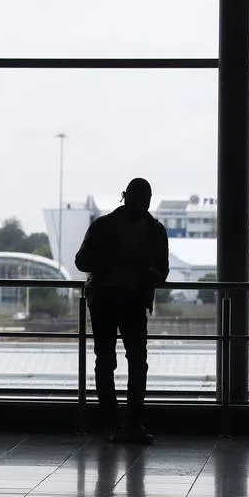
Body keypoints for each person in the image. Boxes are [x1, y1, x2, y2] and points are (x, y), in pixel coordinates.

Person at [75, 177, 169, 444]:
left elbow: (82, 261)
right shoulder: (155, 230)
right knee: (136, 362)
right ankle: (132, 424)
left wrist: (108, 262)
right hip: (134, 300)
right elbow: (162, 271)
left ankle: (113, 425)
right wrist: (144, 271)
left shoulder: (103, 226)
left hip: (104, 297)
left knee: (106, 362)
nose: (141, 204)